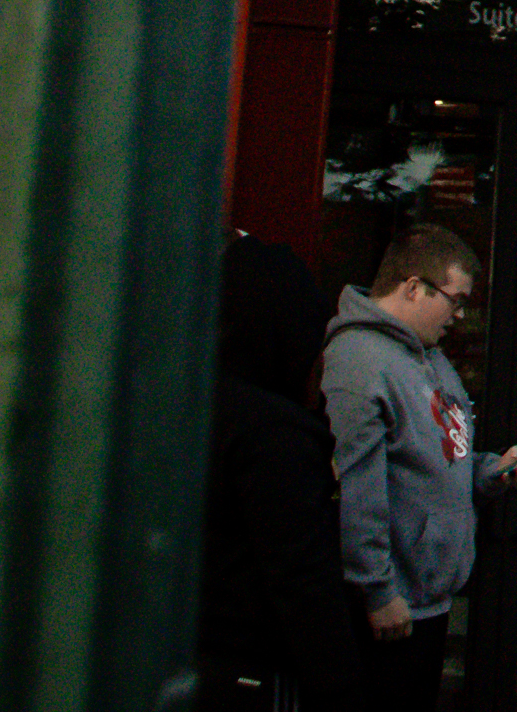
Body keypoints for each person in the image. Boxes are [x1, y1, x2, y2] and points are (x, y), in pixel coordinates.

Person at [322, 224, 517, 711]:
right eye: (455, 300)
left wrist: (485, 472)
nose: (458, 315)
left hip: (427, 603)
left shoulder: (430, 359)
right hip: (389, 610)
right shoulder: (359, 359)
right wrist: (376, 591)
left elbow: (438, 455)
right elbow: (357, 487)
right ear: (413, 287)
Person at [204, 234, 360, 712]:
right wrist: (339, 686)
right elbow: (300, 576)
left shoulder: (172, 406)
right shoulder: (276, 432)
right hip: (249, 670)